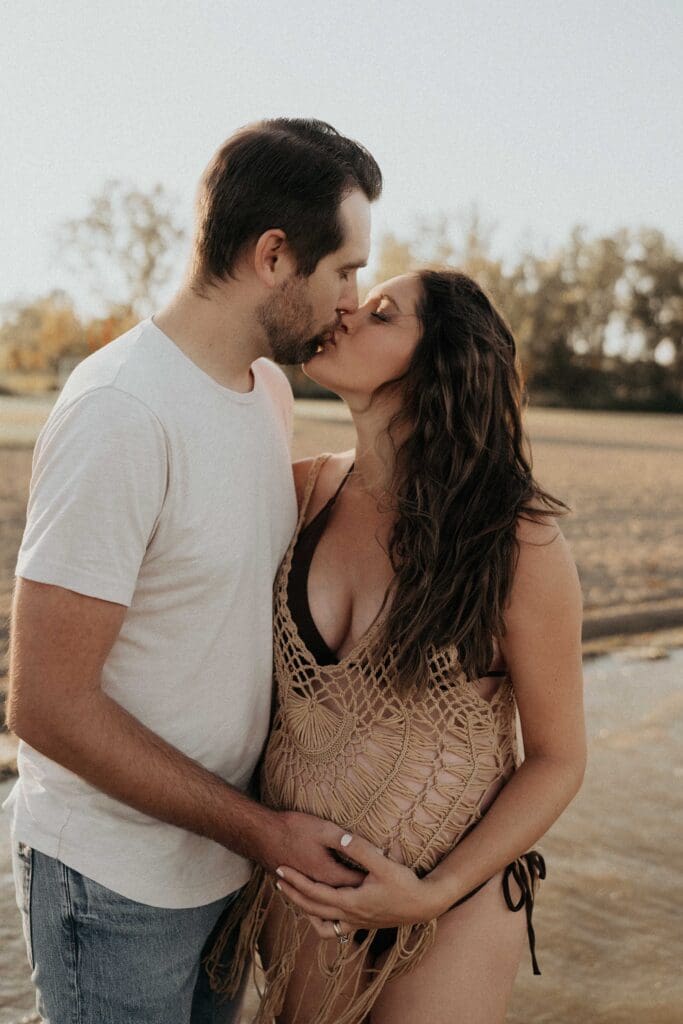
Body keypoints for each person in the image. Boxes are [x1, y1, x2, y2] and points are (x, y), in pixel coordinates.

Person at [3, 118, 382, 1024]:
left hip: (222, 868)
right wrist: (263, 830)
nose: (351, 301)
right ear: (274, 256)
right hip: (113, 884)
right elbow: (45, 705)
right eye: (344, 271)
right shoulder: (121, 412)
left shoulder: (268, 392)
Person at [206, 269, 587, 1024]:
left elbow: (557, 759)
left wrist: (431, 892)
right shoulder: (296, 494)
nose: (346, 312)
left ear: (442, 362)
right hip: (306, 886)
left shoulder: (515, 540)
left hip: (456, 895)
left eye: (382, 314)